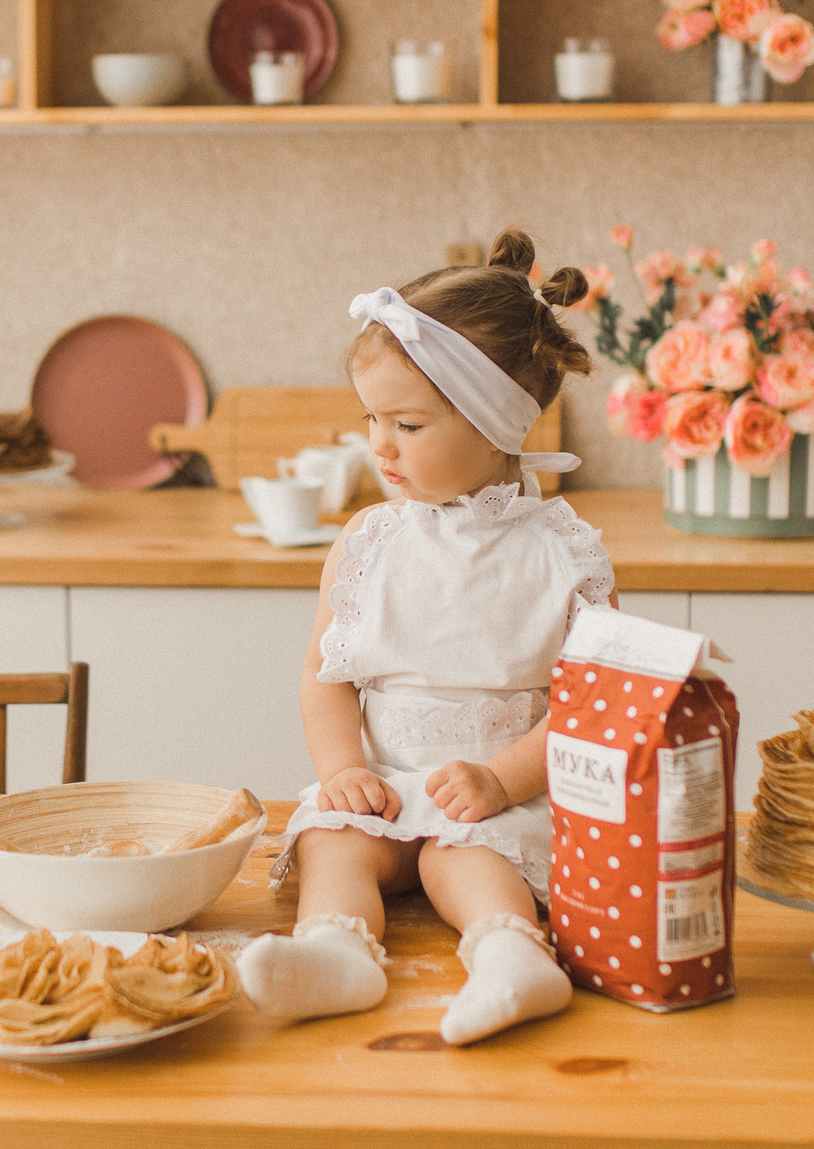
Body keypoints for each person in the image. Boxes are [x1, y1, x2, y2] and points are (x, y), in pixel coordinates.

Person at [237, 231, 613, 1046]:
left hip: (496, 803)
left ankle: (514, 959)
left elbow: (593, 705)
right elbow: (325, 673)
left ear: (495, 426)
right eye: (370, 417)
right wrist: (342, 770)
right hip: (385, 788)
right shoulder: (370, 540)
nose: (378, 443)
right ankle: (336, 955)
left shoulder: (560, 553)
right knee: (334, 839)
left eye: (405, 422)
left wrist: (501, 780)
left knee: (459, 859)